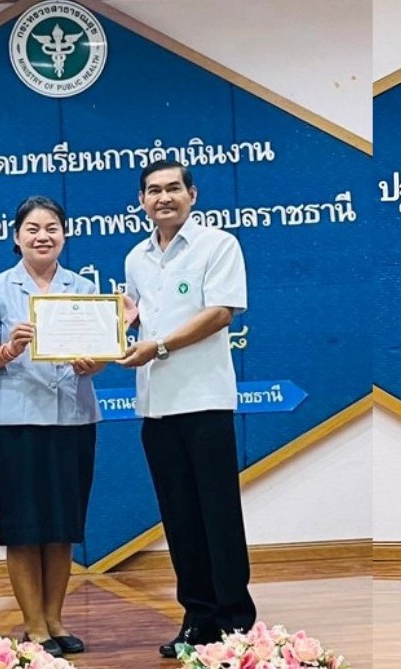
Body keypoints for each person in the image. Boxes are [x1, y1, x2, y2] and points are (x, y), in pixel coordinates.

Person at [119, 159, 256, 657]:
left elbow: (219, 313)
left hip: (204, 401)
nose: (164, 198)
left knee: (218, 513)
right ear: (141, 202)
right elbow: (133, 320)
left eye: (173, 188)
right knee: (178, 517)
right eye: (153, 191)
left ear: (191, 195)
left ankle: (235, 619)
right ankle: (197, 618)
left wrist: (156, 346)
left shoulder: (218, 245)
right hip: (155, 405)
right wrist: (112, 334)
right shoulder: (136, 257)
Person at [0, 195, 103, 657]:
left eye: (51, 228)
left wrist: (93, 364)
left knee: (62, 526)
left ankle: (56, 619)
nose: (43, 236)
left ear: (64, 236)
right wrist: (7, 350)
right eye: (32, 228)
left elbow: (101, 353)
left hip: (73, 419)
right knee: (24, 527)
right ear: (16, 237)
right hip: (16, 420)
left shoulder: (83, 288)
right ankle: (34, 626)